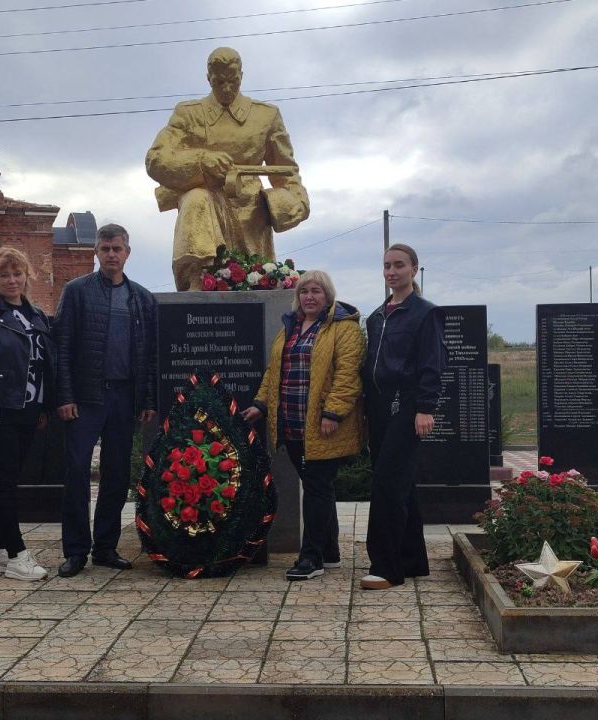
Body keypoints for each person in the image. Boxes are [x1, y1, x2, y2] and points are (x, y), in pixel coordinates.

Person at [146, 46, 310, 291]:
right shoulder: (188, 114)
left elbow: (285, 171)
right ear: (208, 78)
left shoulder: (266, 116)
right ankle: (196, 280)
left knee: (255, 289)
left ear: (241, 76)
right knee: (196, 198)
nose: (226, 88)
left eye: (232, 81)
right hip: (204, 209)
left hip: (250, 212)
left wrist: (295, 203)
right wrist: (201, 161)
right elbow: (156, 159)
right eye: (218, 81)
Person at [243, 270, 365, 580]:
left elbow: (347, 376)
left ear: (328, 295)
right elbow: (274, 372)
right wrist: (260, 404)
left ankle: (311, 558)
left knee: (316, 488)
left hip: (323, 425)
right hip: (292, 423)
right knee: (318, 487)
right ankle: (330, 551)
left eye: (316, 291)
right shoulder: (291, 329)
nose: (309, 297)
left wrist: (333, 413)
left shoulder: (344, 329)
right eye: (304, 292)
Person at [52, 223, 157, 578]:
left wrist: (146, 398)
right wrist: (64, 395)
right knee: (78, 472)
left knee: (116, 473)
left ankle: (106, 548)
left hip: (124, 398)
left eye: (117, 248)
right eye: (105, 248)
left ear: (128, 253)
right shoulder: (77, 291)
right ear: (96, 253)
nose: (111, 254)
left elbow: (149, 355)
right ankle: (76, 551)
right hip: (84, 398)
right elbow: (62, 347)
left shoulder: (142, 298)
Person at [0, 246, 55, 582]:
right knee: (6, 483)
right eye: (4, 275)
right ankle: (17, 555)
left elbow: (43, 364)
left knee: (6, 481)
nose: (12, 280)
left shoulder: (36, 315)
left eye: (17, 273)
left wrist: (43, 406)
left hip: (29, 410)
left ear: (26, 275)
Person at [360, 244, 447, 590]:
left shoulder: (425, 313)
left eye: (399, 265)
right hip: (379, 409)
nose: (392, 272)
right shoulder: (377, 317)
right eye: (387, 266)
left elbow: (432, 363)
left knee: (386, 486)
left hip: (408, 407)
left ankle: (386, 567)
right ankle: (412, 559)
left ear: (414, 269)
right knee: (402, 485)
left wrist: (426, 407)